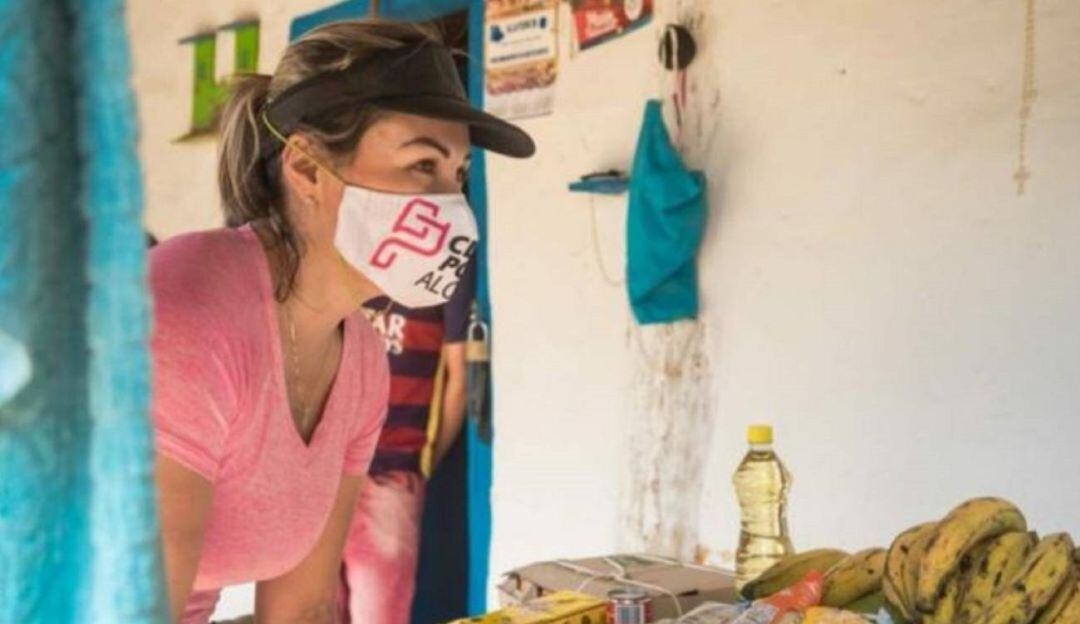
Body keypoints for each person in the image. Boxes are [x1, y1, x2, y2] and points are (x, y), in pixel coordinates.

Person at [149, 19, 533, 624]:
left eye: (458, 175)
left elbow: (304, 607)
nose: (451, 205)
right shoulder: (191, 307)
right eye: (422, 164)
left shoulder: (359, 361)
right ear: (306, 168)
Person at [340, 260, 474, 623]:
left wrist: (422, 463)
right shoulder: (341, 249)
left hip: (386, 472)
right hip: (327, 472)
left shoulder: (447, 257)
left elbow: (461, 380)